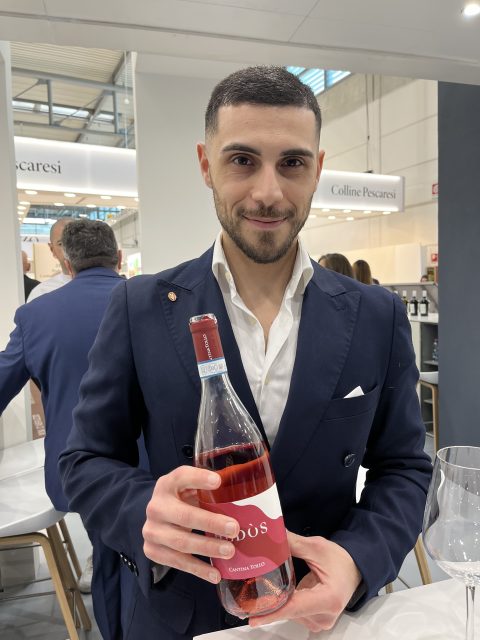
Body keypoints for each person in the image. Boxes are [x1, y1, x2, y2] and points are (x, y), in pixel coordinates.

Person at [59, 66, 431, 640]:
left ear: (317, 169)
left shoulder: (375, 316)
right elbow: (85, 460)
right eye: (242, 160)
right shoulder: (140, 307)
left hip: (323, 617)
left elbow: (403, 466)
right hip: (183, 618)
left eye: (292, 163)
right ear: (206, 164)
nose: (268, 193)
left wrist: (357, 561)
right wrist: (141, 511)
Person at [0, 219, 124, 639]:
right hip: (155, 461)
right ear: (118, 258)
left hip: (81, 469)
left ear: (67, 264)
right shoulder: (154, 299)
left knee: (109, 561)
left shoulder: (36, 315)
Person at [27, 217, 72, 301]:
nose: (70, 248)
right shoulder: (41, 293)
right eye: (61, 244)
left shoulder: (98, 285)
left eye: (76, 241)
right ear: (52, 249)